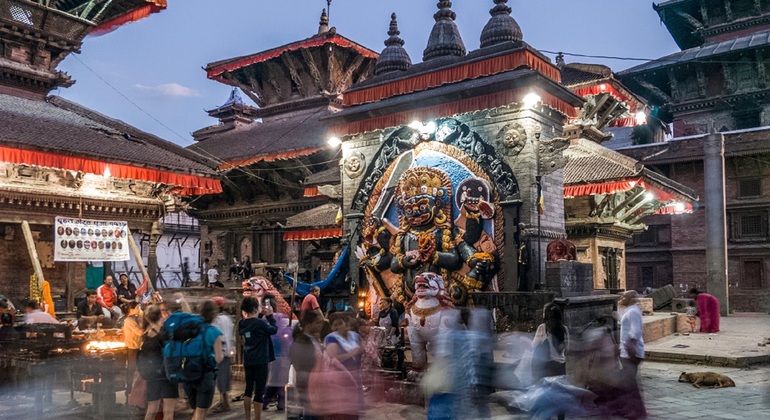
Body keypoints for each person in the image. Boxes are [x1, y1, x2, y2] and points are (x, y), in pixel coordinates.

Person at [239, 296, 277, 420]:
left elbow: (254, 327)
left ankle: (247, 417)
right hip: (261, 361)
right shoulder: (260, 323)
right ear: (255, 308)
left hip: (248, 360)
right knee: (259, 391)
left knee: (248, 389)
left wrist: (260, 315)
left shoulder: (242, 323)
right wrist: (270, 316)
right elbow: (273, 330)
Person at [186, 302, 225, 420]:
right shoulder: (215, 332)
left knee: (196, 410)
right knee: (201, 412)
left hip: (189, 373)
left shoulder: (192, 329)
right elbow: (219, 358)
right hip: (206, 374)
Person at [324, 312, 364, 418]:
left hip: (355, 375)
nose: (338, 327)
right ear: (331, 327)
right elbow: (333, 358)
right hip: (340, 378)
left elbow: (362, 348)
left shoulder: (354, 335)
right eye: (334, 325)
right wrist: (352, 353)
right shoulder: (331, 338)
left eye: (340, 323)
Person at [142, 304, 178, 420]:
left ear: (147, 318)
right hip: (167, 373)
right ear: (161, 315)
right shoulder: (166, 332)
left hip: (152, 375)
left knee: (152, 409)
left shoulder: (145, 336)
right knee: (168, 412)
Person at [288, 311, 325, 419]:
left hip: (314, 381)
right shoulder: (302, 341)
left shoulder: (311, 339)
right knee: (311, 412)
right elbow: (300, 364)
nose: (320, 326)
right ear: (308, 325)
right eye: (317, 323)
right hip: (308, 381)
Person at [618, 290, 646, 419]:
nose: (622, 298)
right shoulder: (630, 311)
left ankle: (637, 410)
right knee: (626, 381)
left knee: (630, 382)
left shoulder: (633, 312)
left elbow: (635, 332)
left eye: (624, 296)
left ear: (630, 299)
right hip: (627, 351)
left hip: (631, 352)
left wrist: (630, 351)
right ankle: (629, 407)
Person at [262, 294, 292, 412]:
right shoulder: (266, 319)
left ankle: (273, 401)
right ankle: (274, 401)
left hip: (278, 353)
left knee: (276, 380)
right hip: (274, 353)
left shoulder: (278, 318)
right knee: (277, 380)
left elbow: (286, 335)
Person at [209, 297, 235, 413]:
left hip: (219, 351)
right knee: (225, 376)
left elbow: (216, 336)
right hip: (227, 350)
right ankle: (224, 401)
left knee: (221, 377)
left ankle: (225, 403)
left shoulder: (216, 320)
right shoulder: (227, 318)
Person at [531, 302, 568, 380]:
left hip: (548, 366)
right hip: (561, 366)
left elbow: (533, 345)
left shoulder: (543, 328)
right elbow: (567, 348)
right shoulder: (565, 329)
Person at [122, 301, 143, 397]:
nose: (138, 309)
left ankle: (133, 390)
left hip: (137, 346)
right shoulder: (129, 321)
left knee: (136, 368)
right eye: (137, 307)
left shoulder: (134, 318)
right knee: (131, 368)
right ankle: (129, 389)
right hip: (132, 347)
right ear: (131, 309)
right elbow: (139, 332)